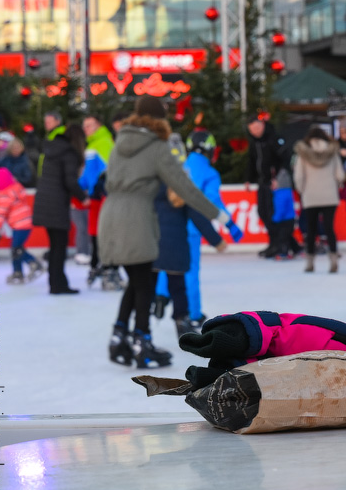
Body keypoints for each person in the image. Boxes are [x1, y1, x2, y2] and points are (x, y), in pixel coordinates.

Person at [99, 97, 224, 369]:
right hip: (138, 218)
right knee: (144, 283)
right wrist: (217, 214)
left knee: (136, 280)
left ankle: (119, 336)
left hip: (110, 217)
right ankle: (142, 343)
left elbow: (106, 182)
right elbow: (185, 188)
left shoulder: (119, 144)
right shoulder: (157, 147)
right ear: (159, 120)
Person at [154, 131, 243, 326]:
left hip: (169, 224)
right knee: (190, 271)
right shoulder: (210, 173)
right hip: (193, 228)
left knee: (165, 264)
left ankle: (160, 296)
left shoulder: (179, 164)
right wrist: (230, 224)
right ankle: (193, 313)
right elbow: (211, 203)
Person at [151, 182, 228, 338]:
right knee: (178, 288)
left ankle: (142, 326)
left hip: (154, 247)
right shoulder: (181, 191)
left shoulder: (151, 190)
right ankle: (181, 322)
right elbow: (199, 218)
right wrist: (217, 241)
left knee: (147, 286)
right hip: (177, 248)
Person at [32, 118, 86, 295]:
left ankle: (56, 282)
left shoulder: (52, 150)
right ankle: (58, 285)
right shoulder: (69, 153)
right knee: (59, 247)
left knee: (55, 245)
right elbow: (70, 181)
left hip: (44, 201)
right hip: (56, 204)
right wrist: (83, 197)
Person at [293, 127, 345, 274]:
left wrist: (302, 190)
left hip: (310, 195)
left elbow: (299, 175)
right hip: (329, 195)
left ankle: (310, 263)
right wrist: (337, 185)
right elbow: (340, 174)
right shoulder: (332, 152)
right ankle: (334, 260)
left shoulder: (303, 154)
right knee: (329, 229)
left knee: (311, 229)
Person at [245, 117, 292, 258]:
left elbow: (285, 158)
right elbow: (252, 161)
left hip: (275, 184)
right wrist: (248, 178)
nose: (255, 132)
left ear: (263, 125)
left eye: (257, 128)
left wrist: (278, 178)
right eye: (252, 130)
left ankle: (280, 244)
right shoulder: (254, 143)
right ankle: (275, 243)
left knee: (274, 214)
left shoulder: (273, 139)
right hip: (263, 182)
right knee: (262, 212)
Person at [0, 167, 44, 283]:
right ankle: (17, 272)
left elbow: (0, 214)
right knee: (17, 249)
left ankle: (33, 263)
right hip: (25, 224)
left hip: (20, 225)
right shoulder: (16, 188)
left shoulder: (5, 195)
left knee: (16, 250)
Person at [76, 113, 113, 269]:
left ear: (98, 125)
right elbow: (88, 174)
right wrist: (77, 186)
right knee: (94, 229)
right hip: (95, 195)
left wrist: (100, 186)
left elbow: (108, 169)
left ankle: (106, 263)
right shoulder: (92, 144)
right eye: (84, 126)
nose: (86, 129)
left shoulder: (104, 142)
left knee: (102, 230)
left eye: (89, 125)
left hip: (103, 194)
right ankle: (97, 262)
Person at [270, 169, 297, 260]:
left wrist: (275, 219)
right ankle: (297, 249)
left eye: (274, 182)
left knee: (282, 237)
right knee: (287, 236)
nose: (272, 184)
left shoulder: (281, 194)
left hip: (285, 220)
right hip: (288, 219)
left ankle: (283, 252)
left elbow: (281, 209)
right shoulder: (285, 192)